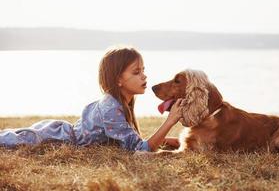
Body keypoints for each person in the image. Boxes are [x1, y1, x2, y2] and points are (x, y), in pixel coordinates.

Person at [0, 46, 182, 152]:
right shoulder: (111, 108)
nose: (144, 76)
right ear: (118, 79)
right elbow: (141, 150)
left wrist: (176, 141)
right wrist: (170, 121)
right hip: (54, 138)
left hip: (59, 131)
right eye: (136, 72)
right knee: (8, 141)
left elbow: (132, 142)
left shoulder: (122, 103)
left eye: (143, 70)